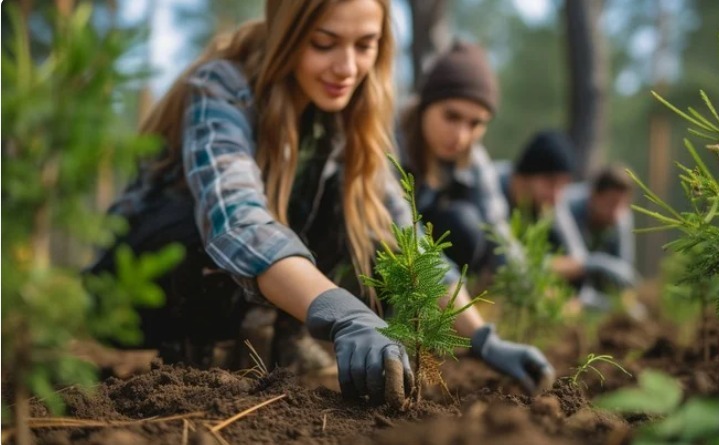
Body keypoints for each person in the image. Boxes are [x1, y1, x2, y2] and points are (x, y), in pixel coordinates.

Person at [90, 0, 554, 403]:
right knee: (211, 223)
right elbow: (235, 219)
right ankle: (197, 346)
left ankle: (279, 341)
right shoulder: (221, 88)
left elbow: (406, 236)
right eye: (324, 43)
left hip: (234, 275)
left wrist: (483, 339)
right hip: (142, 284)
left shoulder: (350, 115)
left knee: (355, 207)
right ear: (288, 36)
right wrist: (344, 314)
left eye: (365, 45)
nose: (347, 67)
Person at [398, 41, 514, 277]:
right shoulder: (388, 141)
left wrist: (531, 289)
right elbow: (398, 228)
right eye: (451, 116)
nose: (461, 136)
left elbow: (497, 228)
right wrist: (453, 296)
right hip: (383, 253)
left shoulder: (474, 158)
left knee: (464, 225)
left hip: (435, 271)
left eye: (475, 123)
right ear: (425, 105)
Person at [552, 165, 640, 310]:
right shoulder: (565, 204)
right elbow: (576, 262)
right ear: (594, 195)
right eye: (611, 203)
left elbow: (624, 269)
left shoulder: (621, 217)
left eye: (623, 204)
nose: (616, 212)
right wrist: (599, 263)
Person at [496, 130, 576, 224]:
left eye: (562, 186)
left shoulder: (543, 207)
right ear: (524, 177)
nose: (555, 197)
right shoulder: (488, 188)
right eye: (551, 183)